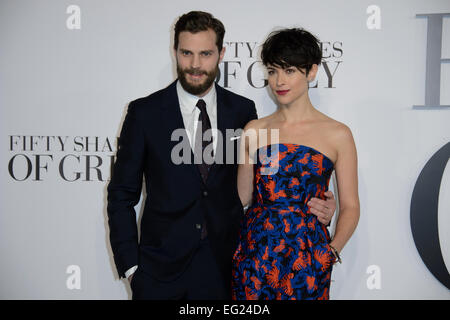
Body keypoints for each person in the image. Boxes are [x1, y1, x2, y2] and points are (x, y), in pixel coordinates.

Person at [107, 12, 336, 300]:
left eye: (205, 53)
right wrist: (132, 268)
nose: (194, 64)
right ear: (174, 51)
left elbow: (263, 187)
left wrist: (322, 201)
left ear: (221, 53)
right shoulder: (145, 113)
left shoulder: (242, 112)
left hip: (226, 270)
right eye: (186, 53)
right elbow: (121, 196)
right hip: (158, 274)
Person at [231, 28, 360, 300]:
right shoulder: (254, 130)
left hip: (308, 260)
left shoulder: (338, 134)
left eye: (289, 70)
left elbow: (350, 206)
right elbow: (242, 197)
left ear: (311, 72)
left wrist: (330, 252)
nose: (279, 81)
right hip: (255, 257)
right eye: (273, 71)